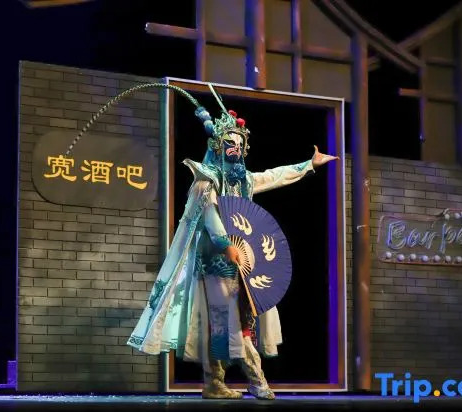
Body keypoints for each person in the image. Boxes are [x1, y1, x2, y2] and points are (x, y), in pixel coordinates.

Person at [127, 97, 339, 400]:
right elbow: (210, 215)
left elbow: (274, 176)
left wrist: (308, 165)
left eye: (239, 144)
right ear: (217, 145)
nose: (235, 149)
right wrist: (225, 244)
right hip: (215, 263)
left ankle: (217, 382)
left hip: (243, 263)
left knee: (237, 322)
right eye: (229, 143)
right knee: (225, 323)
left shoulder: (245, 182)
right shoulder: (206, 180)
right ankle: (253, 380)